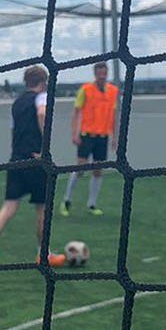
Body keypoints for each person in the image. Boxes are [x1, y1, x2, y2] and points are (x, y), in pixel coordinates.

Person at [0, 65, 65, 268]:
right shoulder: (42, 97)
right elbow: (42, 114)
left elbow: (13, 132)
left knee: (8, 207)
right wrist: (45, 148)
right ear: (43, 82)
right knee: (42, 208)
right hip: (36, 160)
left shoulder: (16, 103)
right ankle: (43, 254)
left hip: (17, 159)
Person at [61, 61, 119, 217]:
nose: (102, 76)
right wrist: (74, 133)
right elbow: (76, 112)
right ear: (95, 74)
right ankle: (67, 200)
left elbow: (113, 116)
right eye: (99, 73)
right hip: (87, 135)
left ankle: (92, 204)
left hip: (103, 137)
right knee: (80, 168)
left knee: (98, 170)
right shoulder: (86, 90)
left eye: (104, 73)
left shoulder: (113, 91)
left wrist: (114, 137)